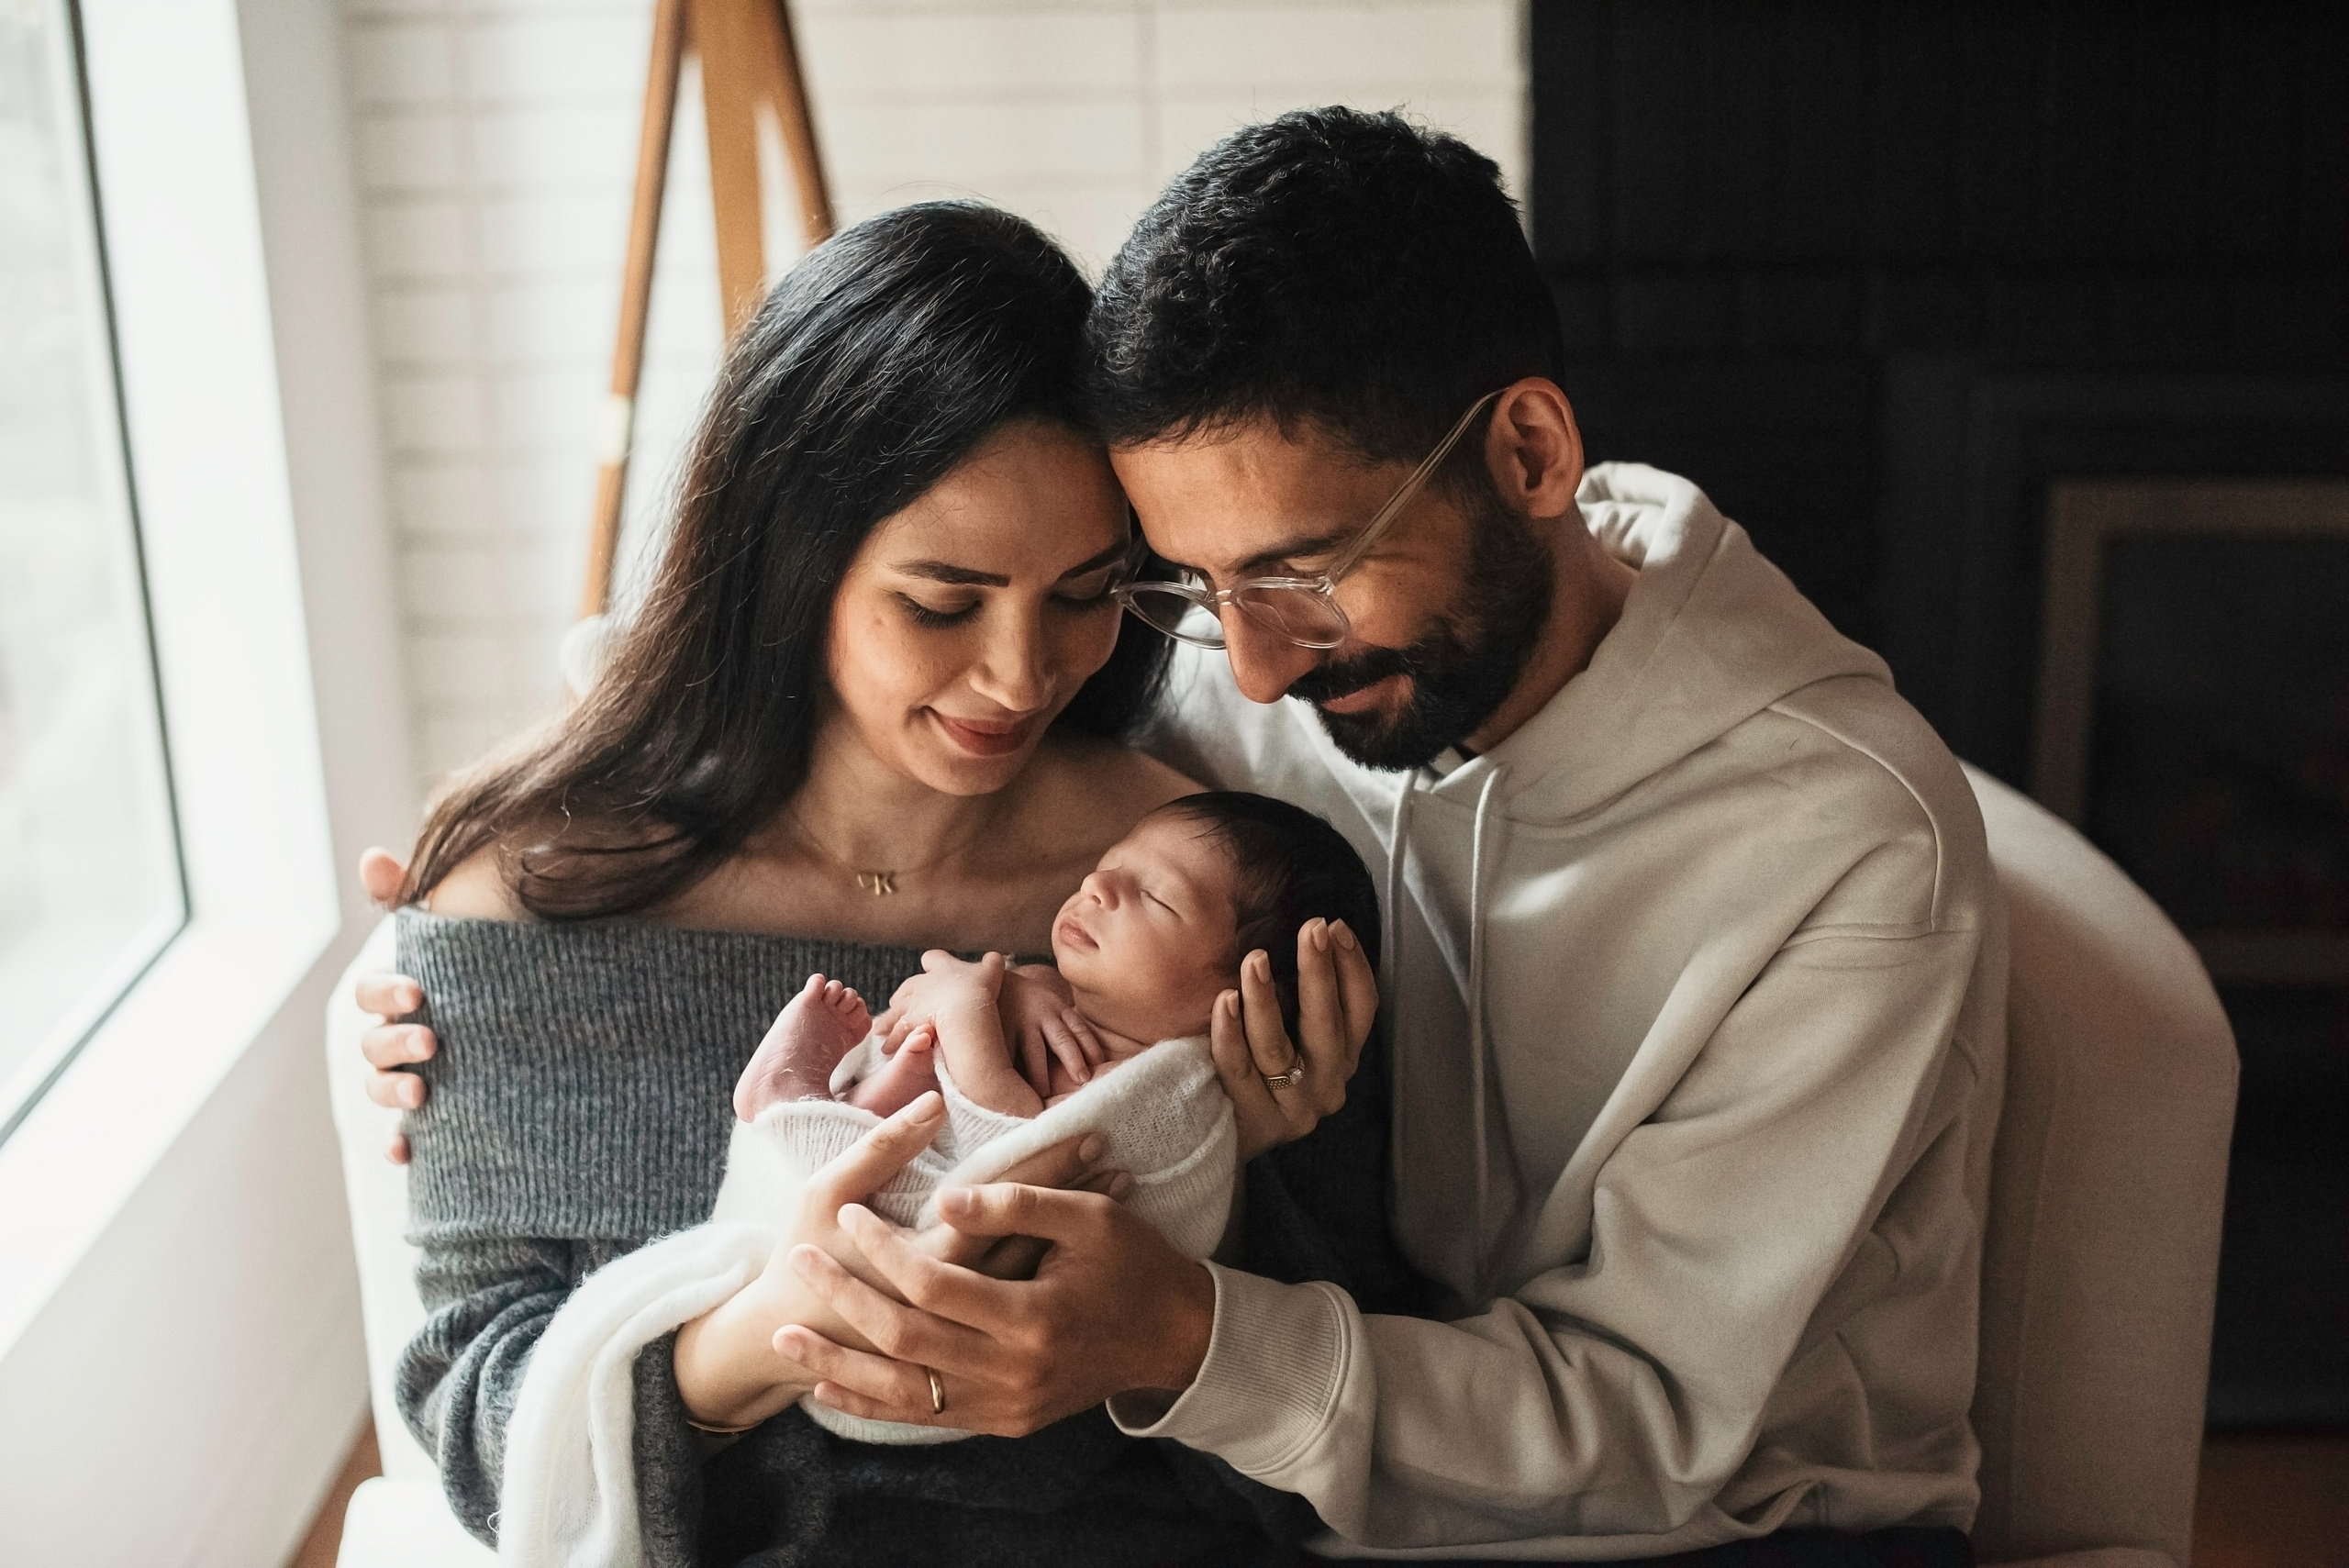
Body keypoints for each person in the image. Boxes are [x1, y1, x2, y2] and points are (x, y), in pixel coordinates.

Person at [720, 111, 2005, 1566]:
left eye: (1304, 574)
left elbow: (1655, 1426)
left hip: (1738, 1530)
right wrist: (497, 886)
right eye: (1198, 586)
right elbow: (842, 698)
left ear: (1529, 450)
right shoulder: (1243, 685)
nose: (1256, 671)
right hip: (1339, 1511)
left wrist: (1186, 1337)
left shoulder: (1840, 845)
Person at [366, 200, 1405, 1567]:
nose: (1022, 677)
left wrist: (1245, 1175)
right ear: (794, 566)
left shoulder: (1197, 889)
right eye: (941, 602)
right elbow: (472, 1427)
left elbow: (1334, 1420)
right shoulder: (533, 897)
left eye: (1088, 593)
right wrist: (753, 1343)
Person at [491, 791, 1383, 1567]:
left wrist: (969, 1012)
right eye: (1109, 864)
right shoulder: (523, 895)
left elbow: (1021, 1150)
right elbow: (480, 1399)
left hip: (953, 1305)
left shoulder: (1176, 1089)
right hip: (818, 1336)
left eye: (1149, 895)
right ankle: (803, 1103)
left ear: (1237, 991)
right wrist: (1005, 991)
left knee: (916, 1117)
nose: (1098, 886)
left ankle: (795, 1102)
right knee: (904, 1078)